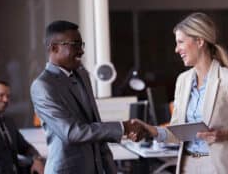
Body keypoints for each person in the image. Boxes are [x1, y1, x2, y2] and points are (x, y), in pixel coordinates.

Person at [131, 12, 228, 174]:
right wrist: (150, 129)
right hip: (189, 165)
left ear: (200, 41)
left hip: (221, 167)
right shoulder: (182, 80)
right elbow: (176, 133)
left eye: (180, 42)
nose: (176, 49)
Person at [30, 20, 145, 174]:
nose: (81, 51)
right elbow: (72, 133)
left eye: (81, 44)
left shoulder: (82, 74)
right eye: (74, 44)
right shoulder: (43, 85)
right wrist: (122, 127)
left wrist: (110, 168)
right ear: (54, 48)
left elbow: (94, 123)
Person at [0, 79, 45, 174]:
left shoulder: (8, 122)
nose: (6, 99)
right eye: (1, 95)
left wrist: (37, 160)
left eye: (8, 96)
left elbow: (25, 147)